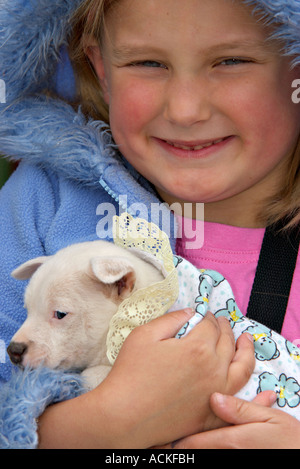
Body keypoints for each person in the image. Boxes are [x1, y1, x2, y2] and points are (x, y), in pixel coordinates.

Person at [0, 0, 300, 449]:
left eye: (231, 61)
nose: (184, 110)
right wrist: (100, 427)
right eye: (148, 63)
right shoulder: (44, 203)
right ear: (101, 68)